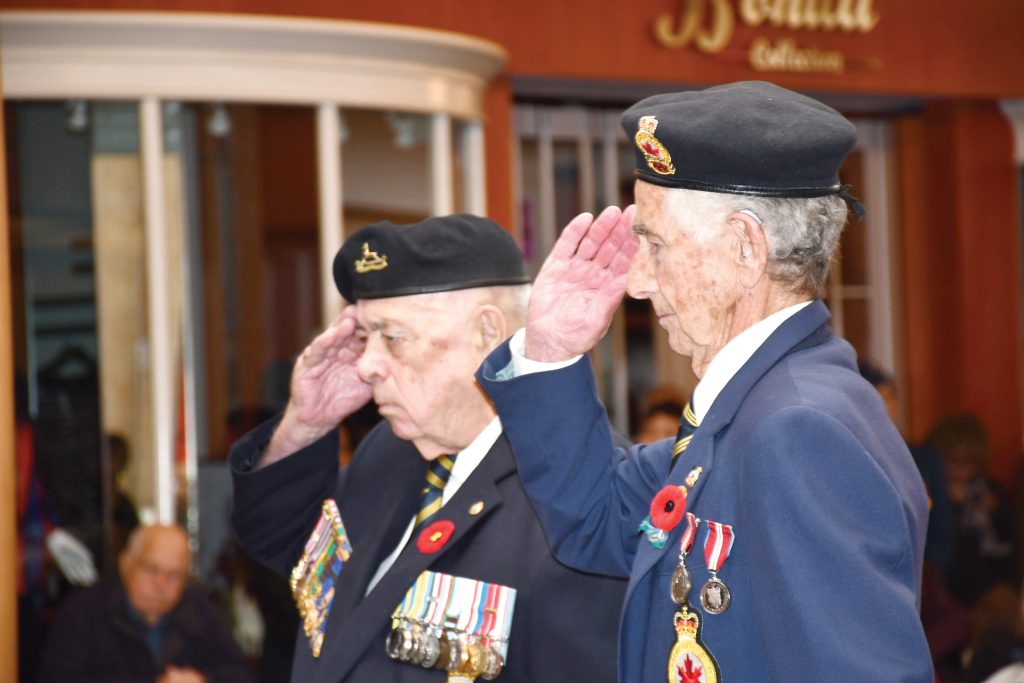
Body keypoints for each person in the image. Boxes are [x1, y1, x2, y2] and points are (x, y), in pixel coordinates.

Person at [476, 81, 933, 681]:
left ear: (745, 247)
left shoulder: (797, 428)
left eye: (656, 245)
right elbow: (596, 520)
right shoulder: (761, 404)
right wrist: (552, 352)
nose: (636, 282)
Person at [229, 214, 626, 682]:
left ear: (488, 333)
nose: (368, 365)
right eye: (363, 337)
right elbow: (286, 548)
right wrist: (306, 423)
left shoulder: (579, 490)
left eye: (393, 338)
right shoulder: (390, 452)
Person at [39, 524, 255, 683]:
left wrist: (203, 680)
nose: (160, 585)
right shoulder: (84, 613)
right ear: (125, 564)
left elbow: (242, 674)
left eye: (173, 576)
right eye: (151, 570)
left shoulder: (201, 614)